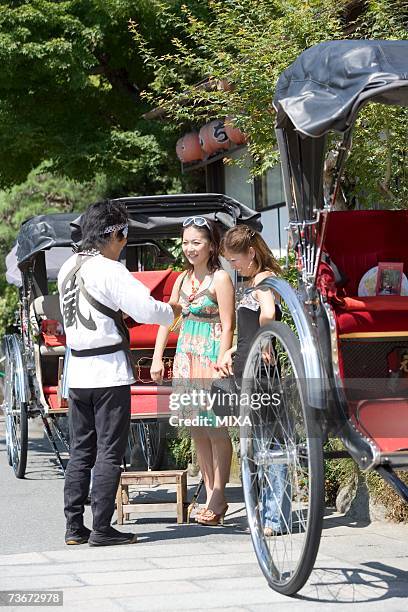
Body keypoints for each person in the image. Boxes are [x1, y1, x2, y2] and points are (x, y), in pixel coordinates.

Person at [58, 200, 179, 547]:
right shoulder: (109, 269)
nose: (124, 242)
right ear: (112, 234)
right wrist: (171, 310)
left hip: (78, 372)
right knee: (111, 451)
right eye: (123, 234)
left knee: (81, 450)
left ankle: (73, 527)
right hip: (108, 372)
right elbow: (145, 309)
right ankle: (101, 528)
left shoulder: (69, 266)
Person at [150, 216, 235, 526]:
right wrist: (159, 356)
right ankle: (212, 494)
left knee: (216, 427)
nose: (189, 248)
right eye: (185, 242)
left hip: (211, 353)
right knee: (197, 428)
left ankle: (218, 496)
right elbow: (168, 318)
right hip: (186, 354)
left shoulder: (220, 279)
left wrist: (222, 359)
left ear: (211, 246)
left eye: (196, 242)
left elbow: (228, 324)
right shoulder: (182, 279)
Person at [218, 224, 291, 536]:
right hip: (247, 364)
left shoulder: (264, 280)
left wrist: (264, 339)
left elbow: (268, 313)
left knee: (269, 443)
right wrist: (233, 349)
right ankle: (268, 514)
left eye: (235, 260)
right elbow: (250, 326)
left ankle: (274, 518)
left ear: (250, 253)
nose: (232, 266)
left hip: (260, 371)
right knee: (261, 442)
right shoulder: (257, 279)